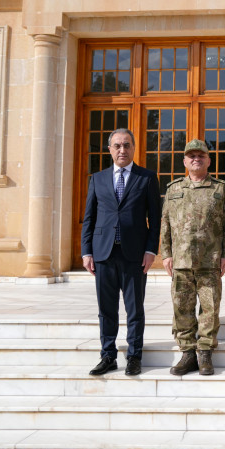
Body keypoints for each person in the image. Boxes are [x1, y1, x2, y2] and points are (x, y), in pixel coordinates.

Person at [80, 128, 161, 377]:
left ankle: (135, 355)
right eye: (117, 146)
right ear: (110, 149)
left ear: (134, 148)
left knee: (135, 308)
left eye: (126, 145)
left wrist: (150, 250)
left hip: (135, 254)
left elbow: (155, 219)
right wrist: (86, 252)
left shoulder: (146, 178)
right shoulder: (98, 178)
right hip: (103, 253)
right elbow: (89, 218)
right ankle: (108, 355)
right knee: (106, 309)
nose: (122, 150)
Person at [160, 139, 225, 376]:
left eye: (201, 155)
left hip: (209, 260)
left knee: (210, 308)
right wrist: (166, 254)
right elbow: (165, 224)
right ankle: (187, 352)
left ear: (208, 160)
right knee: (182, 307)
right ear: (184, 161)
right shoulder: (173, 190)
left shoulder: (220, 189)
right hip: (181, 260)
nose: (196, 159)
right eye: (191, 156)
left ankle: (205, 352)